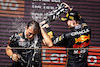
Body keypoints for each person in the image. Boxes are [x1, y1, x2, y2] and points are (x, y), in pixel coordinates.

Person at [43, 2, 91, 67]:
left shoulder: (67, 36)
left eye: (67, 21)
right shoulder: (88, 29)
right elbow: (80, 19)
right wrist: (70, 10)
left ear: (73, 21)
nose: (66, 23)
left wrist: (48, 29)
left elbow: (53, 42)